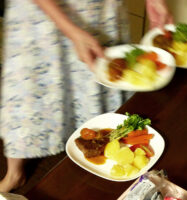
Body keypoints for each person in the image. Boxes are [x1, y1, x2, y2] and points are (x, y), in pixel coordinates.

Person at [0, 0, 173, 192]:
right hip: (39, 16)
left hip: (98, 10)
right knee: (29, 89)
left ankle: (99, 156)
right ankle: (14, 174)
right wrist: (70, 30)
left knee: (95, 82)